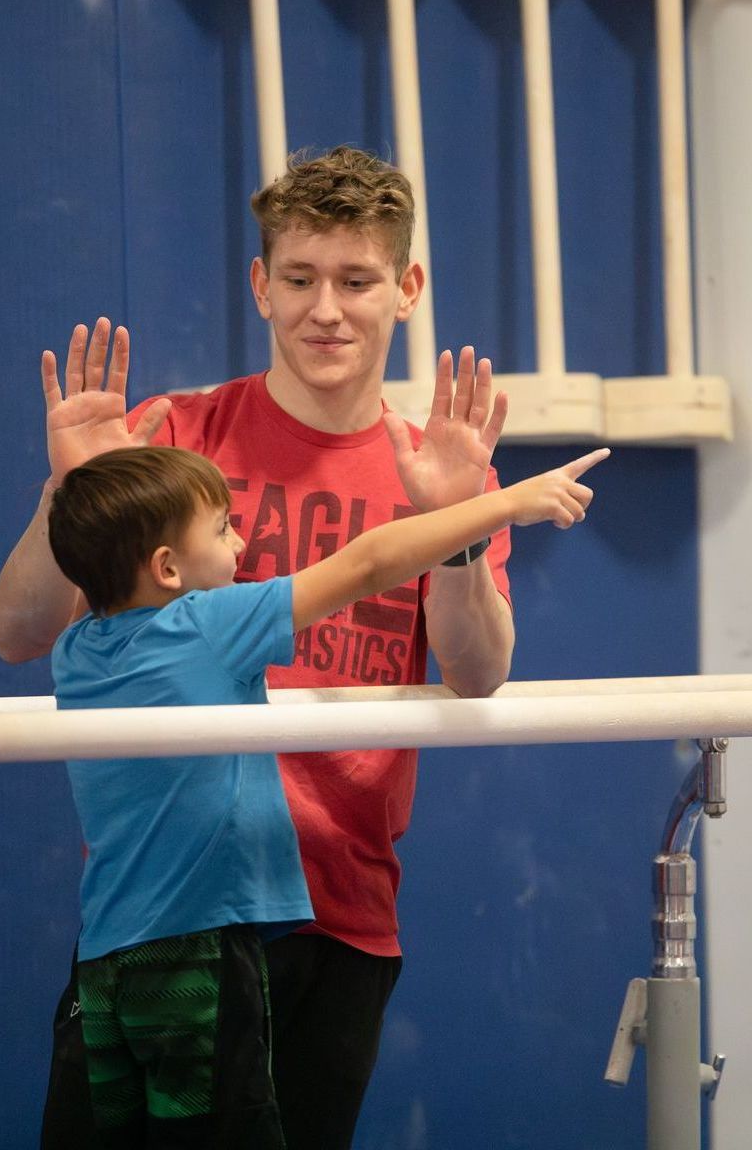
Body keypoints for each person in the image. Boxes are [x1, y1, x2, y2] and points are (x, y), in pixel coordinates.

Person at [0, 146, 518, 1149]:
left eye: (357, 280)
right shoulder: (170, 434)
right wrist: (72, 495)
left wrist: (464, 526)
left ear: (406, 289)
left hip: (339, 909)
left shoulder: (437, 467)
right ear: (260, 285)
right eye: (302, 277)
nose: (327, 309)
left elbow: (478, 669)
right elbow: (19, 633)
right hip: (167, 908)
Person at [46, 440, 607, 1149]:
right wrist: (501, 505)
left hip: (103, 958)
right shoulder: (206, 624)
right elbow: (369, 563)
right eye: (222, 529)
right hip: (201, 957)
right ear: (167, 569)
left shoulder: (76, 651)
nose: (242, 541)